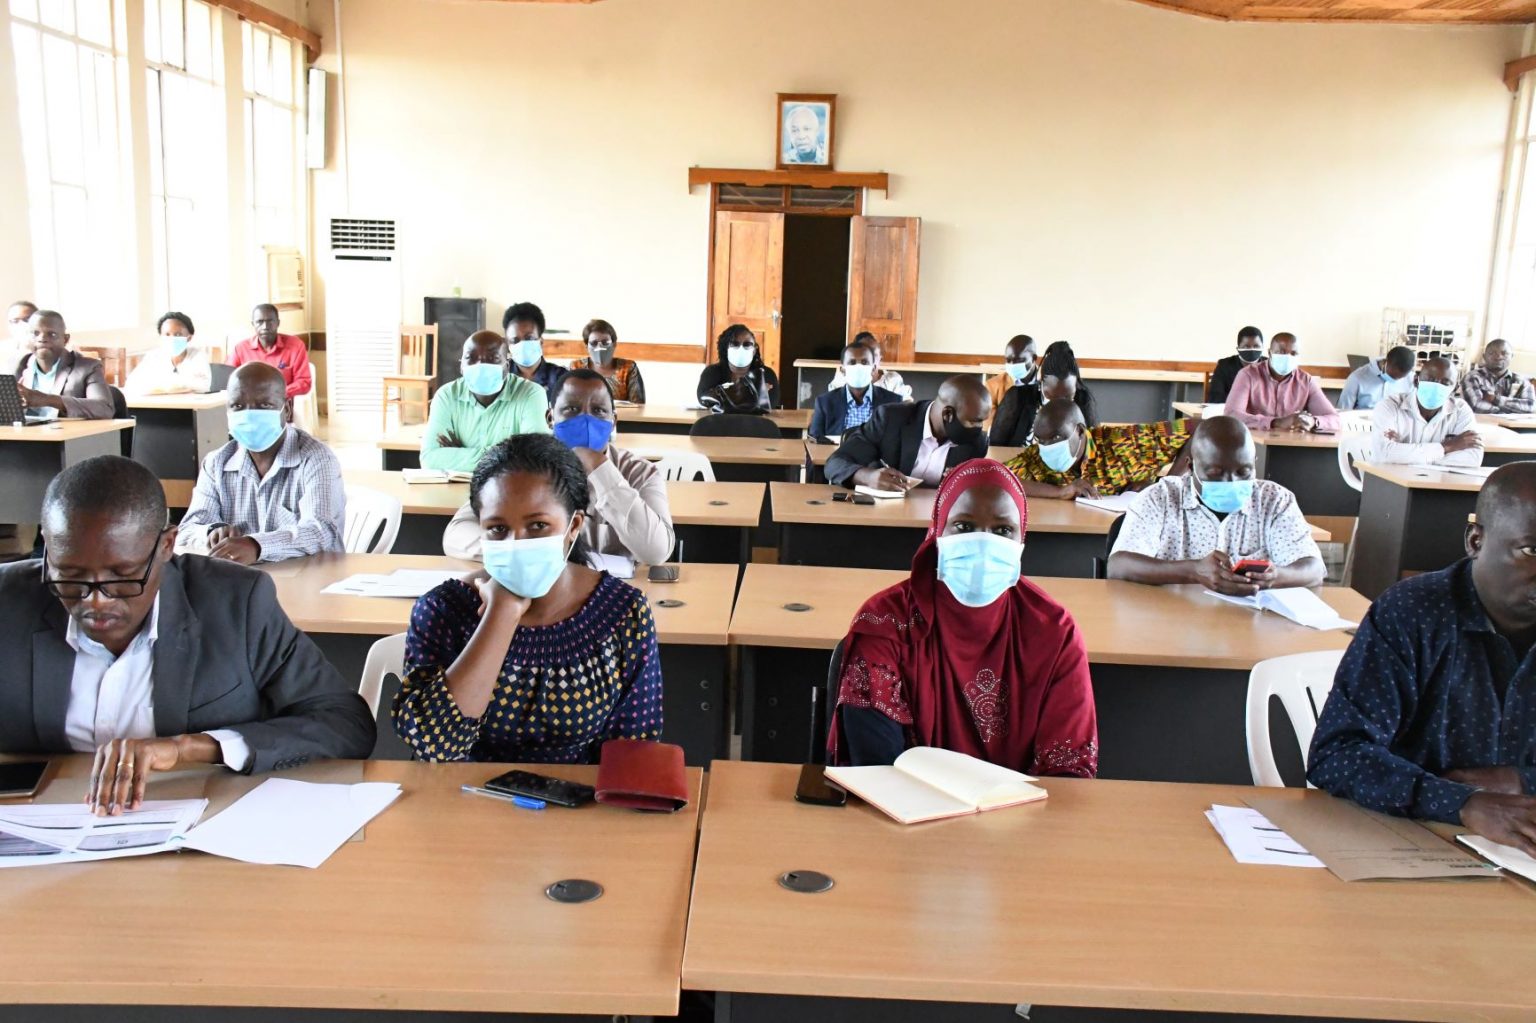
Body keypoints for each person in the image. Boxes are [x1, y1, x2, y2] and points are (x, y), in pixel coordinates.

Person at [0, 456, 374, 812]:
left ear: (167, 545)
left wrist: (191, 748)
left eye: (123, 577)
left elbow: (345, 723)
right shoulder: (8, 603)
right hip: (41, 830)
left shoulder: (235, 602)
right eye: (70, 576)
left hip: (199, 823)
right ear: (48, 546)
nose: (96, 600)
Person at [1307, 462, 1536, 853]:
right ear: (1475, 541)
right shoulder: (1412, 613)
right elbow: (1338, 754)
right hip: (1412, 841)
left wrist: (1520, 781)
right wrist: (1463, 803)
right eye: (1530, 550)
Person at [394, 434, 664, 763]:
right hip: (463, 793)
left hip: (578, 793)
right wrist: (502, 613)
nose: (516, 543)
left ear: (574, 526)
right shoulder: (443, 611)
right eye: (497, 529)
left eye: (538, 525)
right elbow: (435, 747)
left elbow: (633, 751)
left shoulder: (622, 613)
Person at [826, 459, 1097, 775]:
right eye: (964, 527)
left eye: (1003, 530)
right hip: (906, 803)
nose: (983, 543)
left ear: (1022, 539)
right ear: (937, 531)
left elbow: (1067, 771)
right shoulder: (887, 622)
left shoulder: (1054, 632)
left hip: (1027, 807)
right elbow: (877, 768)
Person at [443, 369, 675, 567]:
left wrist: (600, 469)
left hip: (615, 594)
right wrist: (530, 553)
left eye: (598, 411)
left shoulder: (639, 473)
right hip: (539, 588)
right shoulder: (522, 465)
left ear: (613, 421)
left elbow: (656, 552)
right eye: (572, 409)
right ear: (550, 418)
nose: (585, 420)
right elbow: (456, 534)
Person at [1107, 416, 1324, 592]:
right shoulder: (1159, 498)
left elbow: (1313, 570)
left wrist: (1276, 576)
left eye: (1243, 472)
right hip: (1172, 621)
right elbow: (1119, 565)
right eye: (1215, 473)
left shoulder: (1274, 500)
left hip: (1249, 624)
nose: (1231, 482)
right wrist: (1193, 571)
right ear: (1191, 467)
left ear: (1254, 464)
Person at [176, 363, 346, 564]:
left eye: (264, 405)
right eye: (238, 406)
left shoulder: (316, 460)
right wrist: (211, 532)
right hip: (243, 578)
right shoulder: (216, 464)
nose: (249, 416)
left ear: (287, 410)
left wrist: (257, 545)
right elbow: (187, 529)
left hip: (309, 576)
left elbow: (320, 531)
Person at [826, 374, 991, 491]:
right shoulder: (891, 419)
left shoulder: (976, 443)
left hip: (936, 524)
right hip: (883, 517)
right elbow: (835, 463)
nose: (979, 428)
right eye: (974, 421)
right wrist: (867, 477)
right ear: (948, 414)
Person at [1005, 399, 1189, 500]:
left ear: (1079, 431)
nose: (1047, 447)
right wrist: (1060, 492)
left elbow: (1198, 428)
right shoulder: (1035, 458)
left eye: (1056, 438)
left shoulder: (1125, 442)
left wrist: (1165, 484)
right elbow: (995, 476)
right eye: (1040, 440)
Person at [421, 330, 549, 473]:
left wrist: (461, 455)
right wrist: (509, 453)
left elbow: (535, 457)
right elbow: (429, 458)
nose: (480, 365)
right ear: (461, 367)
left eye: (493, 358)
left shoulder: (531, 394)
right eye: (471, 358)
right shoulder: (447, 396)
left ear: (507, 367)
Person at [1370, 356, 1482, 467]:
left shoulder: (1460, 410)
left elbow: (1473, 458)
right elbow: (1382, 453)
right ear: (1416, 381)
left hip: (1440, 478)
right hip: (1393, 477)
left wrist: (1405, 455)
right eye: (1430, 380)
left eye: (1445, 383)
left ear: (1455, 388)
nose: (1436, 386)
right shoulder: (1390, 406)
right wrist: (1446, 447)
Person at [1222, 332, 1339, 432]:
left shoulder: (1305, 380)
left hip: (1292, 444)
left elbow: (1335, 419)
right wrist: (1276, 422)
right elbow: (1231, 415)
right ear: (1270, 353)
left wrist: (1313, 421)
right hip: (1255, 443)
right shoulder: (1248, 375)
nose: (1288, 357)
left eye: (1293, 353)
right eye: (1281, 352)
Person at [991, 340, 1098, 446]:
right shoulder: (1017, 397)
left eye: (1067, 398)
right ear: (1041, 383)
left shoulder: (1083, 401)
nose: (1059, 406)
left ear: (1075, 388)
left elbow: (1094, 447)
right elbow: (994, 447)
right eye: (1052, 397)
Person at [15, 309, 113, 419]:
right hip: (26, 429)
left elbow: (104, 408)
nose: (42, 339)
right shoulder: (21, 365)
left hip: (65, 429)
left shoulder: (88, 368)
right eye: (35, 333)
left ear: (65, 340)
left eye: (52, 334)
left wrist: (46, 399)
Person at [809, 341, 902, 442]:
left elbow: (898, 439)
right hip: (838, 452)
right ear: (842, 370)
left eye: (864, 362)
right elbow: (815, 438)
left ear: (873, 369)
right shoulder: (825, 402)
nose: (858, 367)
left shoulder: (893, 402)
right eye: (852, 362)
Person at [230, 303, 313, 398]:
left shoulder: (296, 346)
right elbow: (228, 379)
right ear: (253, 324)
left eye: (270, 321)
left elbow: (304, 382)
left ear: (278, 323)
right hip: (249, 402)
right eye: (260, 322)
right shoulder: (240, 348)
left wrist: (277, 394)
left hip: (281, 401)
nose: (265, 326)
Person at [124, 311, 212, 396]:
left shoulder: (197, 357)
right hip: (158, 404)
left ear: (189, 338)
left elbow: (203, 385)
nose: (172, 338)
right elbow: (132, 383)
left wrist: (164, 383)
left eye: (178, 334)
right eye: (167, 334)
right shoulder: (153, 356)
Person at [696, 323, 781, 410]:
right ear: (726, 349)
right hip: (721, 418)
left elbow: (771, 403)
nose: (741, 348)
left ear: (754, 350)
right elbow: (703, 399)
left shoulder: (766, 374)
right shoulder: (712, 372)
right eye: (735, 344)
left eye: (747, 344)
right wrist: (748, 392)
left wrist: (724, 393)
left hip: (755, 419)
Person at [502, 301, 566, 404]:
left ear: (541, 341)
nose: (522, 344)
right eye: (515, 340)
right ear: (508, 345)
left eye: (529, 338)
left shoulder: (560, 378)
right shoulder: (501, 376)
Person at [568, 318, 645, 403]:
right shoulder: (576, 367)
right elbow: (569, 400)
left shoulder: (628, 368)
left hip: (620, 412)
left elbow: (638, 405)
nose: (599, 347)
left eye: (605, 343)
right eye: (594, 343)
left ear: (614, 344)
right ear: (587, 347)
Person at [828, 332, 911, 400]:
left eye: (873, 354)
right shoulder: (844, 377)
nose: (869, 360)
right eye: (864, 355)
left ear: (880, 359)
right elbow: (833, 404)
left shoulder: (892, 379)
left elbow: (906, 403)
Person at [1461, 339, 1535, 415]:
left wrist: (1495, 399)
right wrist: (1510, 410)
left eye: (1504, 353)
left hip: (1512, 423)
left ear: (1512, 356)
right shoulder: (1473, 377)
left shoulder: (1521, 381)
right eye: (1492, 353)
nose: (1498, 357)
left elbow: (1530, 406)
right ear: (1484, 356)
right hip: (1481, 422)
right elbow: (1476, 406)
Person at [1337, 345, 1415, 412]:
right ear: (1385, 362)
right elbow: (1343, 411)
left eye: (1399, 378)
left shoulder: (1411, 379)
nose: (1394, 380)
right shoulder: (1357, 377)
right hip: (1365, 422)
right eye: (1392, 376)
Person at [1206, 327, 1265, 404]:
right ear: (1238, 348)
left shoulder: (1269, 366)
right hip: (1231, 409)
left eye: (1256, 346)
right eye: (1246, 346)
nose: (1252, 350)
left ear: (1262, 347)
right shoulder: (1224, 365)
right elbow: (1215, 397)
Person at [985, 334, 1038, 416]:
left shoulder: (1049, 384)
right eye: (1008, 360)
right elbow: (989, 422)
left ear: (1034, 358)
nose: (1012, 364)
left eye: (1019, 360)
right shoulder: (992, 386)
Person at [2, 299, 36, 374]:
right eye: (15, 321)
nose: (22, 324)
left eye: (27, 319)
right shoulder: (4, 352)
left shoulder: (50, 348)